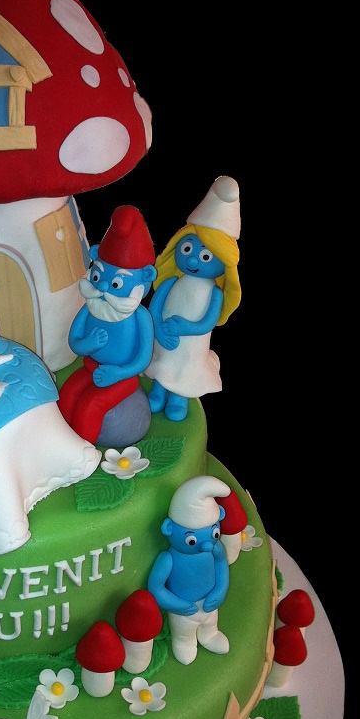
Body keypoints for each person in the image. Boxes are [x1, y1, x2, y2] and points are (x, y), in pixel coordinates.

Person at [144, 176, 242, 421]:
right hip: (164, 340)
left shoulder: (215, 292)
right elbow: (155, 308)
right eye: (187, 249)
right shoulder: (171, 282)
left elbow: (207, 323)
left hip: (191, 347)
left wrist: (185, 327)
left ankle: (179, 398)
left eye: (206, 256)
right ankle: (158, 391)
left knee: (184, 369)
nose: (191, 259)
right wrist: (159, 329)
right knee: (164, 364)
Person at [58, 205, 156, 445]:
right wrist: (87, 344)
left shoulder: (140, 317)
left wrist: (118, 373)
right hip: (90, 367)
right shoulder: (91, 306)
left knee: (91, 404)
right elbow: (74, 342)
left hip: (122, 377)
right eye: (97, 276)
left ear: (145, 278)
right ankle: (58, 442)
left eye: (116, 284)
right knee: (67, 395)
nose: (102, 287)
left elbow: (143, 358)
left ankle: (82, 453)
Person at [147, 475, 232, 665]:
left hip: (210, 604)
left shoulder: (216, 548)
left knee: (210, 625)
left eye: (214, 534)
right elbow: (156, 587)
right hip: (183, 611)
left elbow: (221, 567)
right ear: (169, 528)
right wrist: (176, 604)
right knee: (183, 634)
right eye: (192, 540)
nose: (206, 545)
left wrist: (220, 590)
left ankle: (210, 635)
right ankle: (184, 642)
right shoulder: (167, 559)